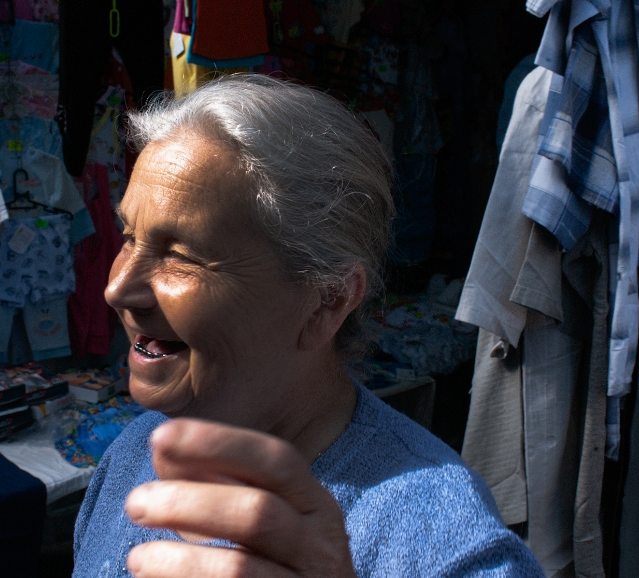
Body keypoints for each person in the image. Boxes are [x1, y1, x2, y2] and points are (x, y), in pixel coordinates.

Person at [72, 74, 543, 578]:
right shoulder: (133, 452)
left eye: (182, 257)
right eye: (129, 236)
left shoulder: (445, 547)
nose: (118, 288)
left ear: (328, 301)